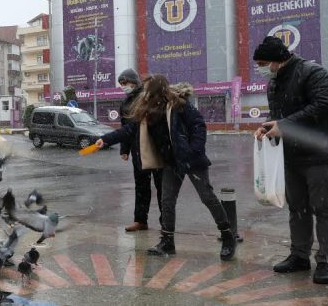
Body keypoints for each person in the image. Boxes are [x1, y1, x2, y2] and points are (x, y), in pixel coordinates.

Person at [96, 75, 236, 261]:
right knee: (167, 200)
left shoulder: (179, 105)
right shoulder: (147, 111)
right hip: (171, 162)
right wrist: (105, 140)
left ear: (157, 90)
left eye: (147, 90)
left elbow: (198, 125)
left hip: (192, 160)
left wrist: (193, 150)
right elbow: (128, 130)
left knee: (207, 197)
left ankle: (228, 235)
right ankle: (167, 242)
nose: (143, 94)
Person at [254, 36, 328, 285]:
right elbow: (279, 116)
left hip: (321, 155)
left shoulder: (315, 74)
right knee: (298, 209)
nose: (260, 68)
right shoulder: (274, 82)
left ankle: (326, 261)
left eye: (262, 63)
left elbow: (323, 105)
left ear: (278, 61)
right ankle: (299, 256)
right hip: (291, 157)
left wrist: (284, 125)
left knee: (326, 210)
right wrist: (267, 127)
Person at [117, 69, 163, 232]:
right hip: (137, 150)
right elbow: (125, 127)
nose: (123, 86)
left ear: (134, 81)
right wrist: (125, 148)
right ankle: (140, 220)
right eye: (121, 84)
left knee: (161, 186)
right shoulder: (125, 103)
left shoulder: (146, 97)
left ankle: (166, 222)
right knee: (141, 186)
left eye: (125, 83)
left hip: (153, 147)